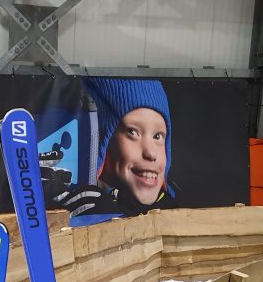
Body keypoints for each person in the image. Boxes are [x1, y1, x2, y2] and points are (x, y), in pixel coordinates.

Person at [48, 78, 174, 221]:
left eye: (157, 136)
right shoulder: (70, 205)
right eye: (132, 132)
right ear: (102, 139)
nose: (150, 153)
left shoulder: (179, 217)